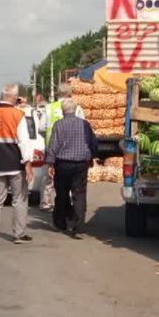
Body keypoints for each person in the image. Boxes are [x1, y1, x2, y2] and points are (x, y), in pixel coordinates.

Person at [0, 83, 33, 245]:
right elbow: (24, 142)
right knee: (19, 199)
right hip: (16, 165)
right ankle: (19, 234)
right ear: (14, 98)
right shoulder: (18, 115)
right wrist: (28, 164)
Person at [45, 97, 98, 238]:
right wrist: (92, 157)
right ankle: (78, 227)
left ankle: (61, 222)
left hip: (62, 164)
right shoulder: (85, 124)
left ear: (63, 111)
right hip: (81, 164)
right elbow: (93, 142)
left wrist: (50, 163)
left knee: (62, 193)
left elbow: (54, 145)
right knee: (79, 195)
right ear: (75, 111)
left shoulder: (58, 125)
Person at [40, 81, 86, 211]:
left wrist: (49, 138)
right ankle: (69, 202)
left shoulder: (49, 108)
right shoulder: (76, 108)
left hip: (51, 148)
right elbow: (83, 127)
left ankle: (46, 202)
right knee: (69, 178)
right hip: (71, 149)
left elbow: (41, 127)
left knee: (49, 176)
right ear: (70, 93)